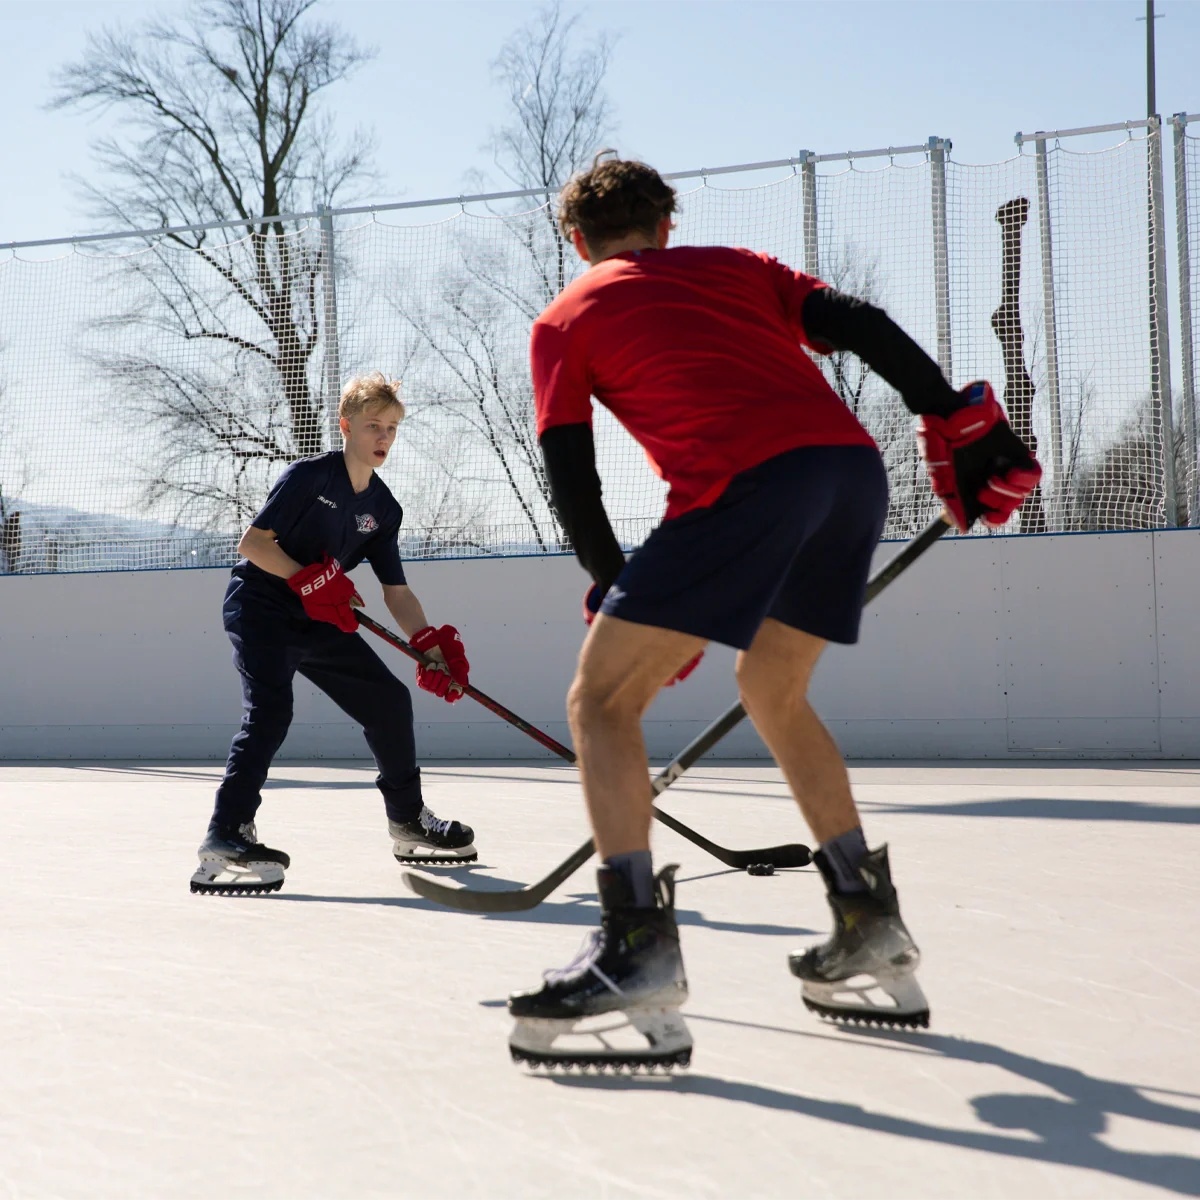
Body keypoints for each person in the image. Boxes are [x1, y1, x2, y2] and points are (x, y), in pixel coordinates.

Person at [506, 156, 1042, 1070]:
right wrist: (948, 412)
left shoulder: (564, 319)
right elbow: (861, 324)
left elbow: (572, 477)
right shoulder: (740, 267)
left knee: (601, 703)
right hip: (847, 473)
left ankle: (633, 949)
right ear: (664, 228)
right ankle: (867, 923)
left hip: (745, 485)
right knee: (771, 686)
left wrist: (610, 585)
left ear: (576, 242)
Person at [191, 373, 478, 897]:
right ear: (346, 426)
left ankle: (409, 822)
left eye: (392, 428)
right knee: (271, 711)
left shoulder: (383, 510)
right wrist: (308, 577)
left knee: (389, 701)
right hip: (262, 608)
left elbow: (397, 593)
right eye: (373, 426)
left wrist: (428, 644)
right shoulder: (310, 478)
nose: (384, 437)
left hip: (317, 615)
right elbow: (253, 545)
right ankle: (225, 836)